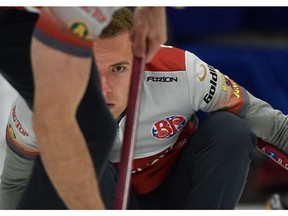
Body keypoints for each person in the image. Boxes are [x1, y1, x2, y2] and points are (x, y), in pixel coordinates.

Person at [1, 7, 288, 209]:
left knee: (232, 130)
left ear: (142, 58)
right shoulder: (41, 100)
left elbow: (265, 121)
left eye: (118, 68)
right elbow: (14, 184)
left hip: (181, 192)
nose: (104, 88)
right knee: (82, 157)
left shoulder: (182, 71)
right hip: (103, 198)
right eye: (91, 69)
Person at [0, 7, 167, 209]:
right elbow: (54, 122)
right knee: (84, 126)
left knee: (91, 126)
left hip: (21, 15)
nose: (105, 88)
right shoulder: (83, 10)